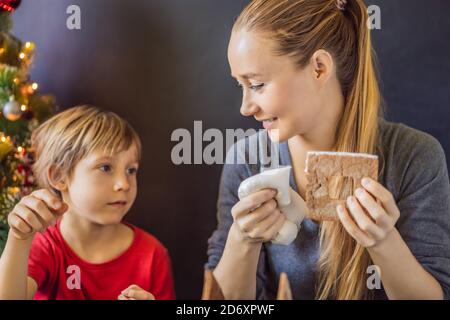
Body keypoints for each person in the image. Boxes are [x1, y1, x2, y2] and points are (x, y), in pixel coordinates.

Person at [206, 0, 450, 300]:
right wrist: (242, 239)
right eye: (240, 85)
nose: (245, 107)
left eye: (257, 84)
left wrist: (385, 241)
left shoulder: (415, 157)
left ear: (319, 68)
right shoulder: (246, 161)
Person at [0, 106, 175, 300]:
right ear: (59, 176)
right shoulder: (45, 245)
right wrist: (19, 238)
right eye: (106, 167)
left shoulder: (153, 255)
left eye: (131, 170)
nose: (124, 184)